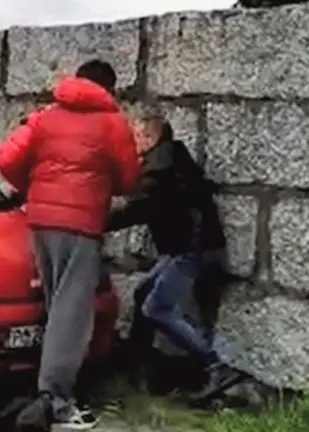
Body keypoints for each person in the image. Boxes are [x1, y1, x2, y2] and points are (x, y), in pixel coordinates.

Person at [0, 59, 140, 431]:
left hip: (40, 221)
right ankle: (55, 401)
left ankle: (44, 387)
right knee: (71, 315)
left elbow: (8, 158)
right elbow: (128, 178)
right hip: (82, 224)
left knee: (54, 304)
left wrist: (35, 185)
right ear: (109, 87)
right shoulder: (112, 122)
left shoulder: (45, 116)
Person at [107, 101, 246, 400]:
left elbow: (137, 207)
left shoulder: (160, 170)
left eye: (135, 137)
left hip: (190, 249)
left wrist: (94, 222)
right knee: (144, 293)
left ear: (150, 136)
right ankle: (139, 366)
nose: (131, 144)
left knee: (156, 307)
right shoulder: (171, 157)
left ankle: (217, 368)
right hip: (188, 245)